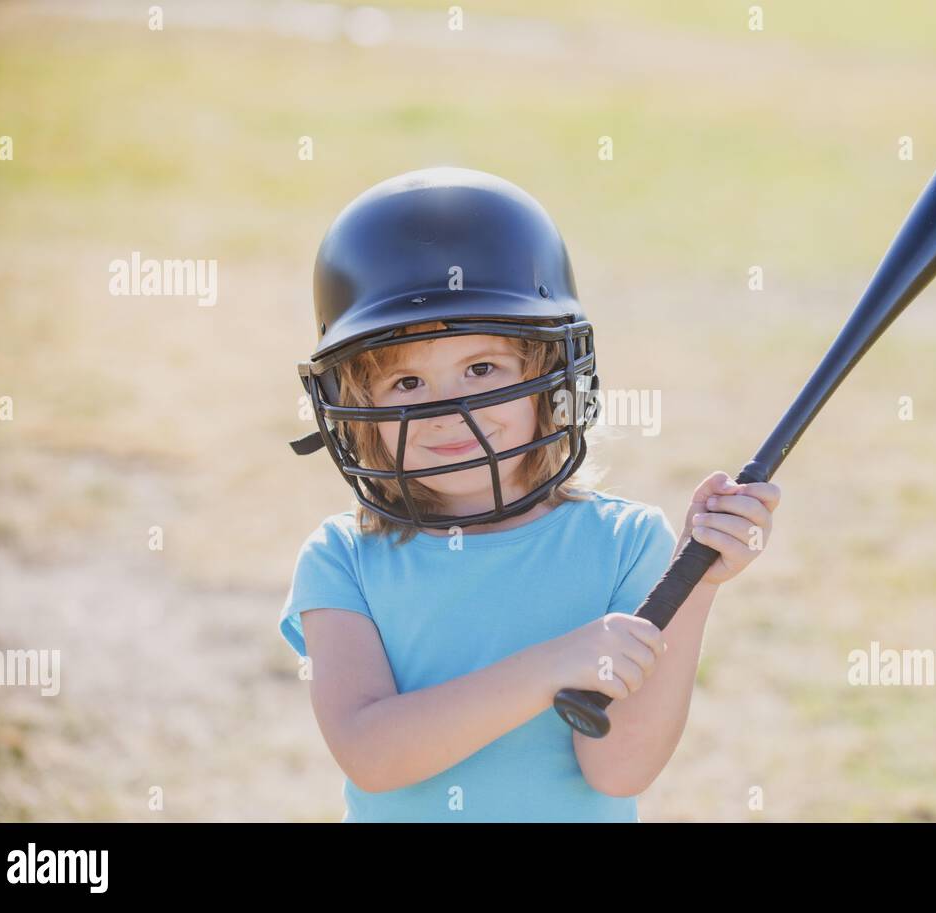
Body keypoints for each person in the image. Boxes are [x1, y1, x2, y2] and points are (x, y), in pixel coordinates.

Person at [279, 166, 781, 821]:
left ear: (549, 377)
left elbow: (620, 768)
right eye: (406, 383)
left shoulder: (626, 543)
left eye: (482, 369)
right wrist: (552, 664)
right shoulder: (341, 559)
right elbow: (373, 755)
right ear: (353, 404)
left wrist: (698, 582)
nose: (448, 409)